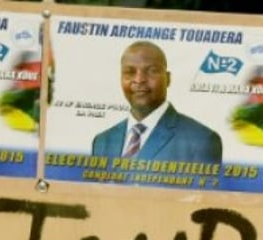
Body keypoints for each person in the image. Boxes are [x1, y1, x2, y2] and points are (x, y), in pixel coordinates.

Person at [91, 41, 222, 164]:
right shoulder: (102, 142)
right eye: (129, 72)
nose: (139, 80)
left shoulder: (202, 141)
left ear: (168, 79)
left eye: (151, 71)